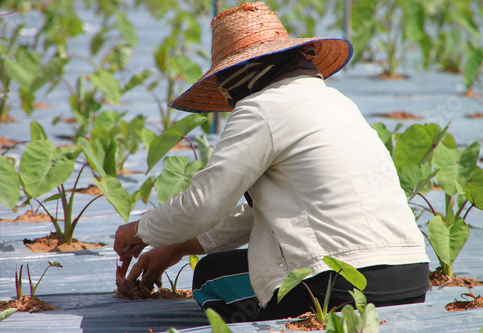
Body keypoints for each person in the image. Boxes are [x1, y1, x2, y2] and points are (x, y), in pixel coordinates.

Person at [114, 1, 430, 323]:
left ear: (244, 71)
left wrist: (139, 231)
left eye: (225, 78)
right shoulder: (338, 102)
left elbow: (205, 202)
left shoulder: (261, 108)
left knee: (210, 277)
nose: (225, 92)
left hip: (339, 284)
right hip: (411, 276)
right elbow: (263, 215)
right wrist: (175, 248)